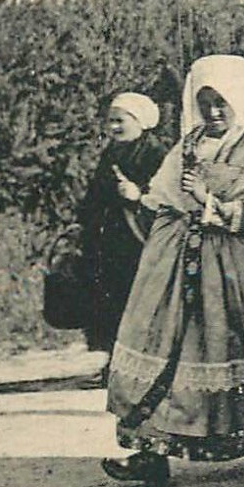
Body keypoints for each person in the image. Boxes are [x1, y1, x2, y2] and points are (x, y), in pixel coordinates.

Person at [103, 56, 244, 487]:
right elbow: (161, 196)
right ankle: (153, 453)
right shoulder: (188, 143)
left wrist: (209, 202)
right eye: (206, 103)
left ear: (239, 102)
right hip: (179, 261)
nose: (214, 111)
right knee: (164, 346)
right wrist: (161, 209)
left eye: (222, 102)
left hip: (240, 268)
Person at [76, 92, 169, 360]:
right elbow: (95, 194)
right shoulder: (111, 153)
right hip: (109, 241)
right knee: (108, 300)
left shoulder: (157, 152)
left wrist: (138, 193)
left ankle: (145, 360)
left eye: (120, 121)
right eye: (110, 121)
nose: (113, 127)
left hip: (141, 240)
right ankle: (113, 359)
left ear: (140, 121)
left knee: (140, 300)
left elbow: (168, 194)